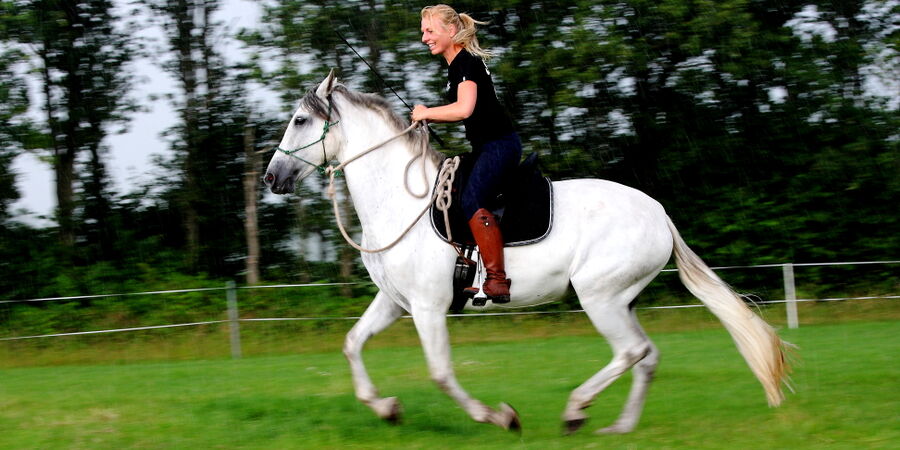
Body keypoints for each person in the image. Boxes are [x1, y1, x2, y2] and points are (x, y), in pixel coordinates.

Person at [412, 4, 522, 303]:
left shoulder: (466, 63)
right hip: (487, 146)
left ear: (450, 31)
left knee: (472, 199)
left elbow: (464, 109)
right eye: (423, 32)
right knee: (458, 191)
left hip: (500, 145)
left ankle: (497, 280)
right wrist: (429, 116)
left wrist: (426, 112)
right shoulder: (457, 65)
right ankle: (470, 269)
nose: (425, 38)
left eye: (430, 31)